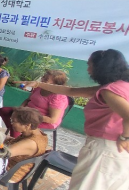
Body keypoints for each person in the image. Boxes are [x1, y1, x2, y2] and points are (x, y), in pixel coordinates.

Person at [16, 49, 129, 190]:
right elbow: (71, 91)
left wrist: (125, 138)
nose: (88, 70)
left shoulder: (110, 91)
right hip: (112, 151)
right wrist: (37, 84)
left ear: (102, 67)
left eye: (90, 65)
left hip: (104, 149)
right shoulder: (119, 86)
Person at [0, 108, 47, 183]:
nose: (11, 123)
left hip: (11, 171)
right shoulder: (36, 132)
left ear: (27, 125)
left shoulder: (30, 143)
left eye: (14, 121)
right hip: (11, 163)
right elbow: (12, 142)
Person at [0, 70, 69, 137]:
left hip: (43, 120)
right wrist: (21, 109)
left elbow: (52, 120)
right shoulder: (39, 88)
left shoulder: (58, 97)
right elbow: (28, 100)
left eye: (46, 79)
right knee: (4, 111)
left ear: (55, 84)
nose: (42, 79)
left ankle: (16, 141)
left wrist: (29, 117)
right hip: (27, 113)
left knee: (19, 123)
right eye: (43, 76)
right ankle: (16, 131)